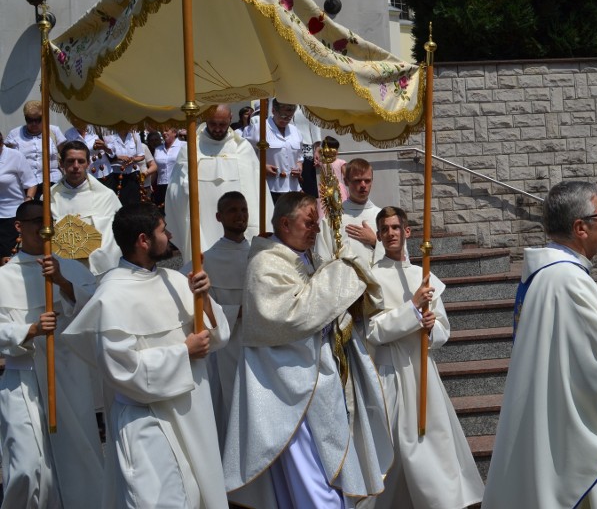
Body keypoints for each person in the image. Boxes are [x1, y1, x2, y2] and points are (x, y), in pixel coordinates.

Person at [482, 181, 597, 509]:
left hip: (560, 411)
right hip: (575, 433)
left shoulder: (543, 276)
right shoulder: (569, 281)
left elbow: (573, 360)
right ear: (580, 227)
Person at [223, 191, 392, 508]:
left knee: (325, 471)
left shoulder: (307, 258)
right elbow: (292, 316)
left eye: (317, 222)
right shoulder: (265, 264)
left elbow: (325, 309)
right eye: (309, 222)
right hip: (288, 392)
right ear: (285, 224)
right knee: (311, 473)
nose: (316, 229)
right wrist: (340, 275)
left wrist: (344, 298)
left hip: (316, 381)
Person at [65, 202, 230, 508]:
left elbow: (218, 338)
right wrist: (183, 352)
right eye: (162, 230)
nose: (169, 235)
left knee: (197, 496)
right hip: (147, 419)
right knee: (160, 501)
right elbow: (123, 372)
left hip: (192, 411)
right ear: (143, 240)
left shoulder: (177, 281)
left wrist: (205, 300)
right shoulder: (111, 296)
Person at [367, 206, 484, 509]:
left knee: (433, 443)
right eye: (385, 229)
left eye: (396, 228)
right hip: (390, 371)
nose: (391, 233)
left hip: (422, 370)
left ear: (407, 232)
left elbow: (444, 330)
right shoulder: (371, 276)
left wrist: (431, 328)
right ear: (378, 236)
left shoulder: (423, 275)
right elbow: (371, 331)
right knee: (394, 446)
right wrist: (411, 310)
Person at [0, 200, 104, 508]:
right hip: (24, 376)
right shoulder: (4, 277)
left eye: (49, 220)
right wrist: (28, 331)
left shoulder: (69, 267)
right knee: (28, 466)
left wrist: (62, 283)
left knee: (77, 456)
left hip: (66, 371)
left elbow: (95, 308)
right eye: (36, 221)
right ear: (18, 226)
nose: (45, 228)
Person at [181, 190, 250, 450]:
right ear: (219, 217)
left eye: (243, 210)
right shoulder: (205, 260)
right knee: (227, 409)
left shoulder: (260, 254)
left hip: (257, 342)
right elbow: (192, 303)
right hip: (224, 346)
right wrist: (238, 312)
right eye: (233, 211)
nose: (240, 216)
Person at [165, 104, 272, 257]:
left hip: (238, 223)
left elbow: (257, 190)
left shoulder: (242, 148)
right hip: (202, 222)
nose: (217, 129)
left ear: (230, 120)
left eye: (222, 124)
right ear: (206, 120)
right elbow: (175, 190)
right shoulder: (191, 149)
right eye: (213, 124)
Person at [51, 141, 123, 276]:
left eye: (81, 161)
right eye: (70, 161)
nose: (76, 166)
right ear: (61, 164)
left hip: (99, 269)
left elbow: (117, 235)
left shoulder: (106, 196)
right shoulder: (49, 198)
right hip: (63, 270)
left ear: (88, 163)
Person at [316, 157, 384, 266]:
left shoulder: (382, 217)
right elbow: (321, 259)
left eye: (367, 180)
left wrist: (375, 242)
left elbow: (398, 256)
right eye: (357, 180)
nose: (363, 185)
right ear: (346, 181)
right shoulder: (331, 219)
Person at [4, 100, 66, 200]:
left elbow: (65, 155)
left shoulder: (54, 131)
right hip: (25, 185)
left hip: (53, 182)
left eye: (38, 120)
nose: (34, 123)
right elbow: (6, 157)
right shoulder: (14, 134)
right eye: (29, 120)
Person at [245, 99, 303, 202]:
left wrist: (299, 167)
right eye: (283, 116)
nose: (286, 120)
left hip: (293, 188)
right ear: (273, 111)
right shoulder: (259, 129)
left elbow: (299, 157)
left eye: (290, 117)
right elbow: (245, 154)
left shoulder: (295, 131)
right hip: (269, 188)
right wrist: (262, 167)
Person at [0, 133, 37, 261]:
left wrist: (28, 201)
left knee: (8, 257)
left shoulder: (15, 156)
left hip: (11, 214)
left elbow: (31, 183)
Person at [104, 128, 146, 205]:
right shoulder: (109, 136)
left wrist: (132, 159)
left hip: (132, 174)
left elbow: (141, 155)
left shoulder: (135, 136)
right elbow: (108, 155)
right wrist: (119, 157)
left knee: (134, 202)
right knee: (119, 202)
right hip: (116, 174)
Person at [152, 124, 183, 207]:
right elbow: (156, 169)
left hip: (177, 185)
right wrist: (151, 184)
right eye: (162, 131)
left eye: (166, 131)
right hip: (161, 185)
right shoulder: (158, 149)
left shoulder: (183, 146)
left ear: (174, 133)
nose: (164, 133)